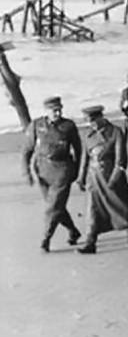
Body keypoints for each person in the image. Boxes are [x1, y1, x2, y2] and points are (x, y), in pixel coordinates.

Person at [22, 96, 83, 252]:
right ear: (46, 111)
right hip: (42, 170)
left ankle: (46, 238)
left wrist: (77, 171)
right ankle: (73, 231)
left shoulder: (68, 126)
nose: (57, 112)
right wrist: (26, 172)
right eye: (54, 110)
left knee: (53, 207)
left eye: (59, 109)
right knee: (57, 206)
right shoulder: (37, 125)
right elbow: (27, 150)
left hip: (62, 169)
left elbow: (78, 150)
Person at [77, 105, 128, 253]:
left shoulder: (115, 132)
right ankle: (91, 241)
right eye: (90, 122)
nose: (93, 124)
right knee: (93, 209)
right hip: (94, 177)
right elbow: (84, 158)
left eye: (95, 121)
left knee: (120, 205)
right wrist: (81, 177)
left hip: (110, 175)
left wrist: (115, 177)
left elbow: (121, 158)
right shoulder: (87, 135)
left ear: (102, 117)